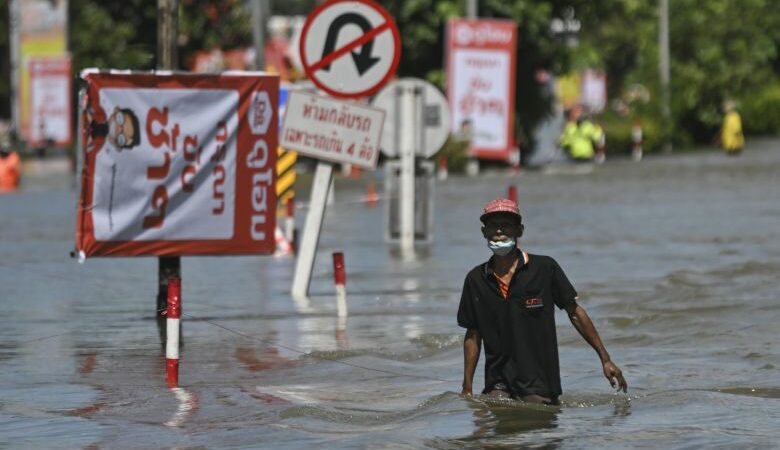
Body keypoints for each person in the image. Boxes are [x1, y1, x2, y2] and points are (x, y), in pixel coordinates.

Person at [458, 198, 627, 404]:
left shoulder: (544, 268)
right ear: (484, 232)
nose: (499, 231)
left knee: (541, 429)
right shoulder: (476, 279)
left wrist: (605, 359)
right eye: (493, 225)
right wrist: (467, 387)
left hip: (540, 381)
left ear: (520, 230)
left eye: (506, 225)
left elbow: (574, 312)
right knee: (497, 424)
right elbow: (473, 334)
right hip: (498, 382)